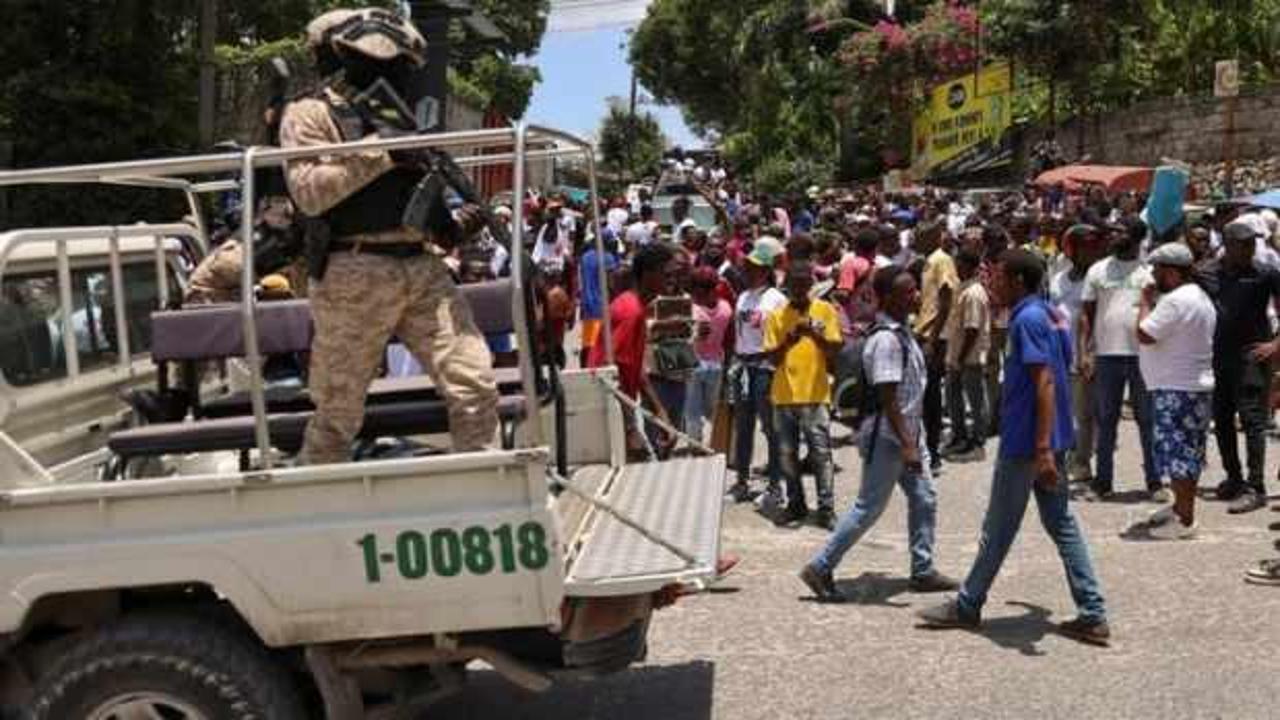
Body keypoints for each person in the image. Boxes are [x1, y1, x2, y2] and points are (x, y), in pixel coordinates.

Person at [280, 7, 498, 462]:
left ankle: (485, 491)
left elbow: (420, 200)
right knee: (337, 413)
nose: (393, 70)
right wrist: (381, 153)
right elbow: (309, 195)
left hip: (420, 266)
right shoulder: (309, 113)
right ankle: (313, 514)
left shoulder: (399, 115)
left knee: (474, 384)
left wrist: (454, 224)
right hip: (352, 270)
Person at [918, 249, 1110, 646]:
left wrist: (1040, 450)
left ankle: (968, 605)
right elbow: (1064, 363)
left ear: (1019, 281)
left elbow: (1045, 381)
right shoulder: (1053, 313)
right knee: (1062, 523)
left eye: (999, 277)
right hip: (1053, 436)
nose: (992, 284)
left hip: (1028, 442)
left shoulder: (1027, 319)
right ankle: (1092, 613)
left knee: (999, 528)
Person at [798, 266, 957, 601]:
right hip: (890, 436)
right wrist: (908, 445)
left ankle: (923, 569)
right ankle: (821, 566)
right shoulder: (886, 339)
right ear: (885, 298)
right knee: (867, 508)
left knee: (924, 498)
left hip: (908, 434)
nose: (913, 295)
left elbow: (919, 365)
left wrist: (942, 313)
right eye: (906, 291)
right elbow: (888, 396)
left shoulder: (901, 332)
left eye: (914, 289)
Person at [1133, 243, 1216, 539]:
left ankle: (1185, 519)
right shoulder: (1197, 296)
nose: (1154, 275)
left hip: (1178, 388)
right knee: (1185, 451)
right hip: (1188, 386)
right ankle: (1181, 508)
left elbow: (1144, 333)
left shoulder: (1177, 300)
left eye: (1157, 270)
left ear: (1170, 272)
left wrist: (1144, 301)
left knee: (1179, 454)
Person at [1200, 222, 1280, 514]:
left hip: (1252, 357)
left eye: (1252, 244)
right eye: (1243, 244)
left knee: (1252, 421)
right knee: (1221, 420)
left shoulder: (1265, 273)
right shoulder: (1207, 273)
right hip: (1219, 356)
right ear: (1228, 245)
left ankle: (1256, 487)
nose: (1250, 249)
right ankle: (1234, 477)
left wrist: (1275, 344)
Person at [1081, 217, 1159, 500]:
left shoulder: (1150, 273)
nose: (1113, 235)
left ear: (1136, 238)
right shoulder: (1097, 270)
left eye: (1120, 231)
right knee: (1106, 419)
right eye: (1112, 231)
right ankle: (1103, 482)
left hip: (1143, 356)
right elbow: (1087, 316)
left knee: (1148, 420)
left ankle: (1154, 480)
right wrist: (1086, 351)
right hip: (1107, 355)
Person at [765, 262, 843, 530]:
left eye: (803, 285)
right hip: (784, 395)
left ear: (810, 285)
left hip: (815, 393)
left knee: (821, 454)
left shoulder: (825, 310)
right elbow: (772, 359)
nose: (798, 291)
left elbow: (834, 352)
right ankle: (795, 503)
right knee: (787, 453)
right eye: (793, 286)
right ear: (787, 287)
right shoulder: (776, 316)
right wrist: (790, 339)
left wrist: (816, 336)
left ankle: (826, 508)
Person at [588, 244, 678, 457]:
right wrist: (630, 428)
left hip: (618, 409)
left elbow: (634, 366)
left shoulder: (635, 306)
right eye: (667, 275)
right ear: (647, 274)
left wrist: (659, 410)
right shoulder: (630, 311)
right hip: (608, 411)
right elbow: (610, 372)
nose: (673, 280)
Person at [726, 245, 787, 505]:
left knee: (771, 429)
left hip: (765, 369)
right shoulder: (743, 297)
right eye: (746, 267)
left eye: (753, 268)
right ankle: (741, 481)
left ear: (765, 270)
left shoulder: (776, 299)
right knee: (744, 426)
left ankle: (775, 486)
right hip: (743, 367)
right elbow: (738, 335)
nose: (747, 271)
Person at [1050, 224, 1105, 485]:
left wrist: (1089, 353)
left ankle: (1082, 462)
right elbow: (1053, 315)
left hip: (1087, 354)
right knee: (1063, 410)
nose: (1089, 252)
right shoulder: (1058, 280)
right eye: (1084, 247)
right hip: (1060, 354)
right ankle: (1065, 455)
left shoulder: (1097, 280)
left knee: (1085, 413)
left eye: (1093, 247)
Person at [913, 221, 957, 472]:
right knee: (924, 392)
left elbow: (946, 297)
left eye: (919, 236)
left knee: (930, 395)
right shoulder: (927, 261)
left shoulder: (942, 260)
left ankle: (933, 452)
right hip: (924, 332)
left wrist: (932, 338)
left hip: (935, 336)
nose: (914, 241)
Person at [941, 248, 990, 462]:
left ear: (969, 266)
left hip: (968, 357)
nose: (956, 269)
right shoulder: (962, 288)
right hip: (957, 354)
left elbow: (972, 329)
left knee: (975, 400)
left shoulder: (974, 293)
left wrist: (960, 359)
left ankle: (977, 442)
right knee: (953, 398)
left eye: (959, 265)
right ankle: (959, 436)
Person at [684, 267, 733, 443]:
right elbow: (728, 338)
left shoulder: (691, 309)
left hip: (693, 364)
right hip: (716, 363)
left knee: (692, 410)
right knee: (713, 409)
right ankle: (717, 442)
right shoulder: (726, 308)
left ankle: (696, 444)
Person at [578, 231, 620, 367]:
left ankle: (583, 368)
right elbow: (611, 284)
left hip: (586, 304)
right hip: (601, 305)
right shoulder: (608, 258)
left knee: (588, 342)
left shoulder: (585, 257)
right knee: (602, 343)